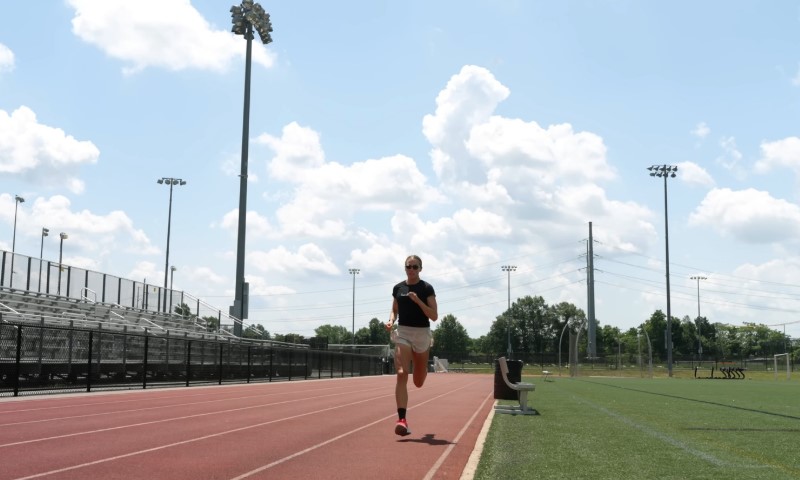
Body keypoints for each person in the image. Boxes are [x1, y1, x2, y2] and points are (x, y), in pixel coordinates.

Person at [385, 254, 438, 436]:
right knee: (401, 373)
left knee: (418, 382)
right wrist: (391, 321)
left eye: (415, 267)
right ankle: (402, 419)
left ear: (420, 269)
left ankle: (422, 367)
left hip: (422, 333)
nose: (412, 269)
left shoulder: (426, 288)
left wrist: (418, 301)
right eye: (409, 266)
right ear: (405, 268)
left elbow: (434, 315)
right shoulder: (398, 288)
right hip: (404, 332)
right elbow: (394, 309)